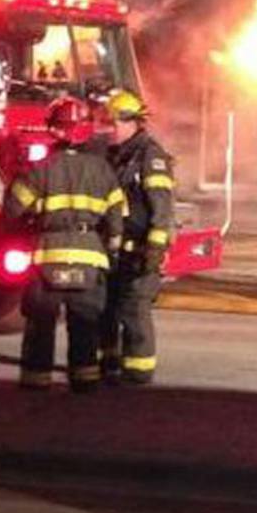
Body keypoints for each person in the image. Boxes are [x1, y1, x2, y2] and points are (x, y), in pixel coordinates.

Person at [6, 98, 125, 394]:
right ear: (86, 130)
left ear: (53, 129)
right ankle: (84, 381)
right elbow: (117, 219)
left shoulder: (40, 168)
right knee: (84, 325)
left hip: (47, 256)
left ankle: (36, 381)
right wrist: (110, 248)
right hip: (89, 257)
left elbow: (12, 209)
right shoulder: (103, 170)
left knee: (41, 325)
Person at [98, 88, 175, 386]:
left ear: (132, 123)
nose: (109, 130)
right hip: (116, 250)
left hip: (141, 250)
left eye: (114, 123)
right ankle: (109, 365)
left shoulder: (150, 157)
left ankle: (139, 372)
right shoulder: (116, 154)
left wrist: (154, 250)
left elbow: (162, 206)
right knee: (107, 307)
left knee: (134, 308)